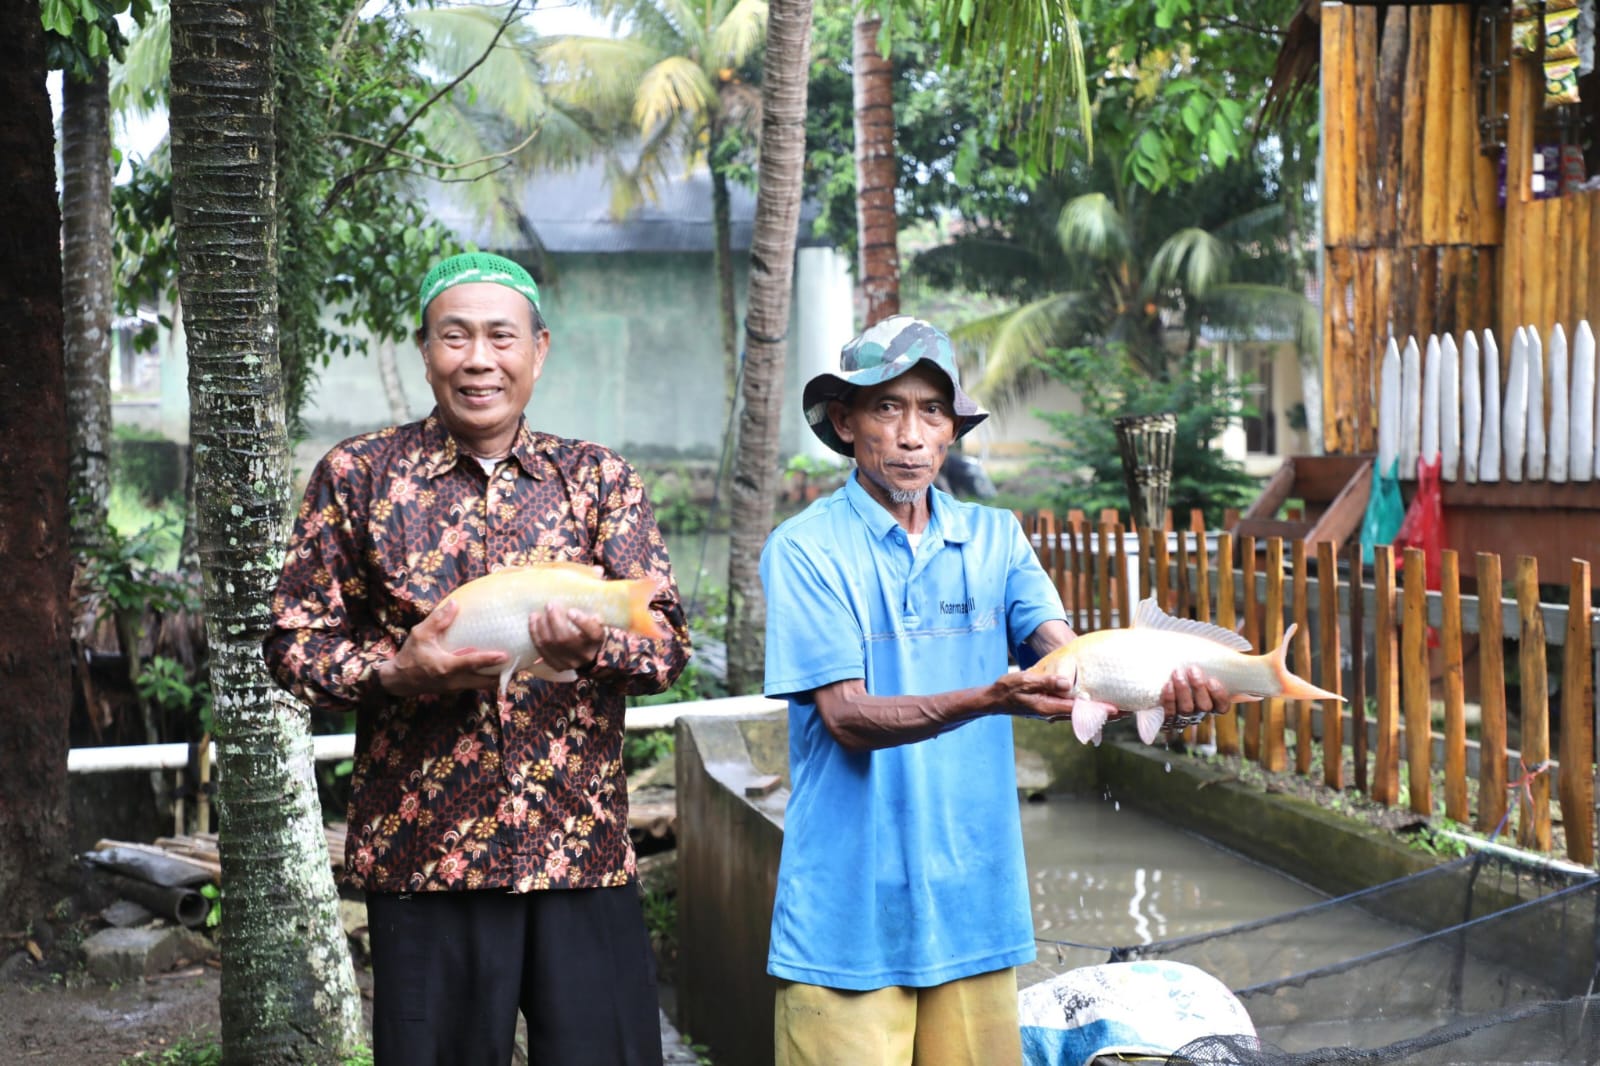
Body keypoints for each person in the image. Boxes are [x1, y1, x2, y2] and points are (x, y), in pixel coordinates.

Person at [758, 315, 1225, 1066]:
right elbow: (846, 718)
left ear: (952, 429)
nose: (912, 436)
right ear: (845, 422)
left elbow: (1067, 663)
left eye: (932, 412)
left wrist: (1164, 695)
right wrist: (989, 698)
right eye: (887, 407)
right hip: (847, 920)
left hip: (975, 911)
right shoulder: (806, 549)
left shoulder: (995, 538)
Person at [264, 251, 690, 1066]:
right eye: (455, 336)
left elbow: (667, 646)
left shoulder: (598, 480)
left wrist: (595, 649)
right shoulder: (358, 477)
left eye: (501, 336)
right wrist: (395, 673)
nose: (479, 359)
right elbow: (293, 643)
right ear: (425, 351)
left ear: (539, 349)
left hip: (580, 848)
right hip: (427, 855)